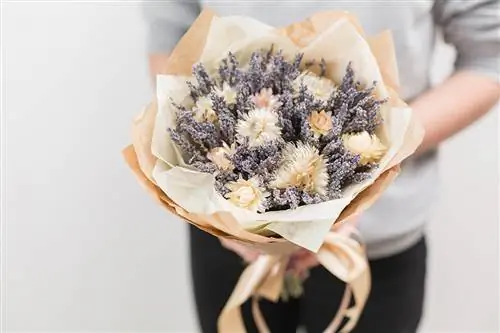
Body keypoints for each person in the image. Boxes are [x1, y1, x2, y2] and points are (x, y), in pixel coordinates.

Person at [142, 1, 500, 332]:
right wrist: (218, 179)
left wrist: (371, 161)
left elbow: (489, 57)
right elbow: (171, 32)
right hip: (226, 231)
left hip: (372, 244)